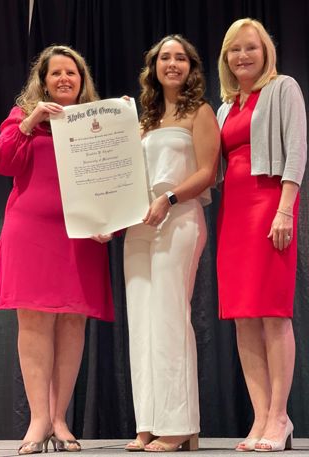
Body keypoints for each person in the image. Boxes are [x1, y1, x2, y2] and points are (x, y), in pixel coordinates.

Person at [0, 45, 115, 454]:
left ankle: (60, 419)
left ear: (82, 81)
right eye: (55, 73)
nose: (64, 78)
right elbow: (1, 163)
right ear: (42, 81)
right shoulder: (21, 119)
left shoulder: (97, 121)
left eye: (71, 73)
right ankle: (38, 420)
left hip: (81, 236)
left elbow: (116, 177)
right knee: (35, 324)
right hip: (31, 233)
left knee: (73, 323)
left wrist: (108, 220)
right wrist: (30, 122)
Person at [123, 35, 220, 452]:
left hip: (178, 217)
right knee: (141, 322)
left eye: (180, 57)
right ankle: (149, 420)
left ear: (191, 67)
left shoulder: (199, 111)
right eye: (165, 57)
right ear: (154, 66)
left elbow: (209, 172)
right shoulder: (143, 119)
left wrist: (170, 198)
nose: (173, 64)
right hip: (140, 223)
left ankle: (180, 424)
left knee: (168, 317)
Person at [216, 18, 307, 452]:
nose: (243, 56)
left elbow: (297, 150)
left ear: (265, 51)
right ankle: (259, 417)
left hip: (269, 205)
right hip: (233, 214)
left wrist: (285, 209)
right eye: (235, 50)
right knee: (243, 317)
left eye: (250, 47)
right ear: (226, 58)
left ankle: (280, 416)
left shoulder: (283, 88)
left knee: (272, 312)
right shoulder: (224, 107)